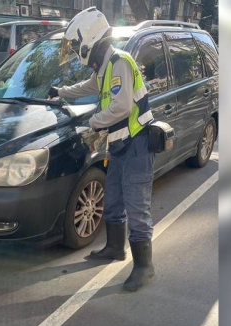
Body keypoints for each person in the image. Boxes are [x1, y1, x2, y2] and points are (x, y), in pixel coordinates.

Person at [48, 7, 155, 291]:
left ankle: (145, 267)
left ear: (89, 40)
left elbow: (121, 107)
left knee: (136, 207)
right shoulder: (107, 66)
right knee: (114, 200)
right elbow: (89, 86)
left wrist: (92, 122)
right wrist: (61, 92)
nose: (75, 53)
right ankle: (115, 248)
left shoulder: (120, 61)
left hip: (137, 145)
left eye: (76, 46)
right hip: (120, 146)